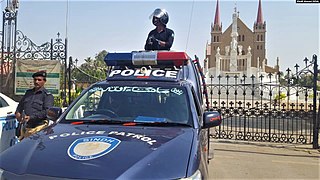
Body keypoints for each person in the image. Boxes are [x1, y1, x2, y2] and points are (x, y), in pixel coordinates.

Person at [15, 71, 54, 140]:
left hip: (40, 128)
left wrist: (31, 117)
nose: (36, 82)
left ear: (44, 81)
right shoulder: (28, 93)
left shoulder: (47, 95)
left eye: (39, 80)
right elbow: (21, 104)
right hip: (27, 127)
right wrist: (18, 112)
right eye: (35, 79)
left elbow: (47, 111)